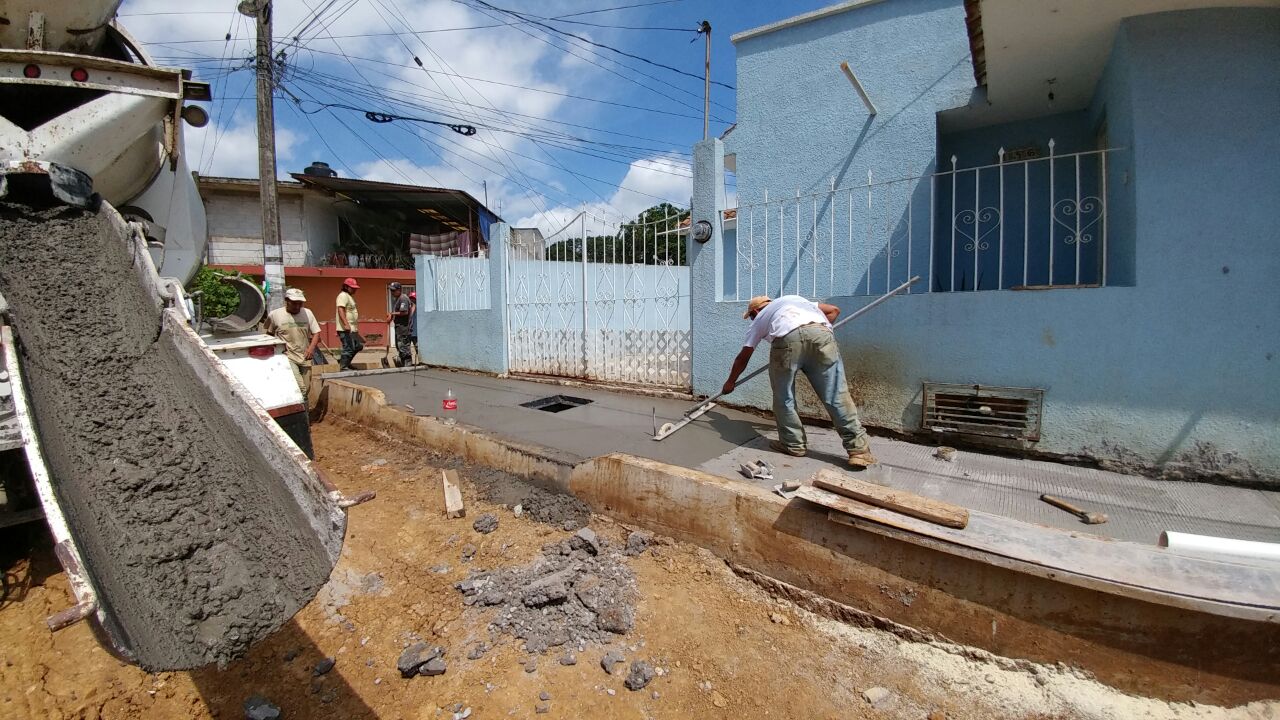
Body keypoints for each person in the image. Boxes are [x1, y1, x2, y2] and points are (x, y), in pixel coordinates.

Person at [721, 295, 877, 467]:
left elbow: (744, 357)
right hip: (821, 335)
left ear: (756, 311)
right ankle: (859, 451)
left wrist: (730, 382)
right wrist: (815, 334)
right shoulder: (796, 301)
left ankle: (793, 444)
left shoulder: (760, 318)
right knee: (836, 394)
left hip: (787, 341)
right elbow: (834, 310)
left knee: (784, 397)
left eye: (750, 316)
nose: (751, 319)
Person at [263, 288, 322, 400]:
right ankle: (301, 415)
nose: (297, 306)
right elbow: (269, 335)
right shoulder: (275, 315)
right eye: (294, 303)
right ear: (287, 300)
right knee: (301, 389)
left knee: (306, 388)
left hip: (305, 356)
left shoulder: (308, 313)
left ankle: (303, 412)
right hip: (287, 356)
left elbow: (316, 333)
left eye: (300, 303)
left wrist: (311, 349)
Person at [336, 277, 363, 371]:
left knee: (358, 346)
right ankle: (343, 367)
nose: (355, 290)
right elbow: (341, 310)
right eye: (353, 288)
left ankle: (346, 363)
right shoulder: (343, 296)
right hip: (345, 328)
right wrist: (346, 324)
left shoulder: (349, 297)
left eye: (355, 288)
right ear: (346, 287)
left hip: (352, 328)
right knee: (348, 347)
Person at [385, 281, 413, 368]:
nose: (392, 292)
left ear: (399, 290)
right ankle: (403, 362)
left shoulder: (403, 298)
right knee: (399, 345)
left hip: (403, 327)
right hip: (399, 327)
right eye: (391, 291)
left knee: (403, 345)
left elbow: (404, 312)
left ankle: (407, 363)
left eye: (393, 291)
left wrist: (392, 314)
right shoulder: (397, 299)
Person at [407, 291, 420, 364]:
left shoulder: (419, 309)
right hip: (408, 331)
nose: (412, 300)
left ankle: (421, 361)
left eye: (413, 298)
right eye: (411, 298)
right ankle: (409, 362)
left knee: (417, 347)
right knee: (407, 348)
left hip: (416, 332)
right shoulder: (408, 308)